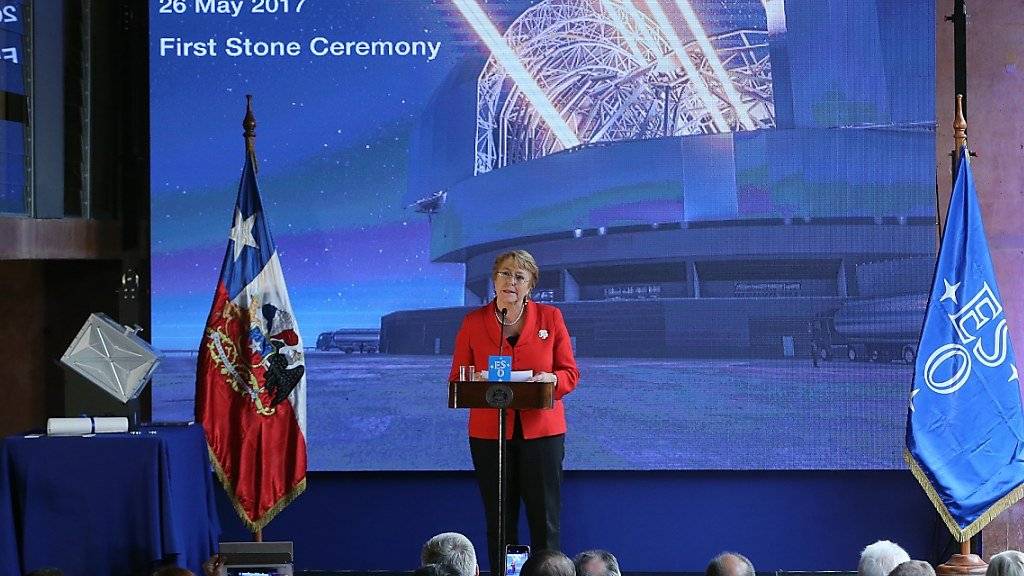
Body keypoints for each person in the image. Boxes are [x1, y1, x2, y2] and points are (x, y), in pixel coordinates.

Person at [448, 250, 580, 572]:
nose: (511, 281)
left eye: (519, 277)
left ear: (530, 286)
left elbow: (570, 374)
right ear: (494, 280)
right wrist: (476, 379)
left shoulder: (551, 318)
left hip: (543, 434)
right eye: (505, 274)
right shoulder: (473, 322)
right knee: (499, 519)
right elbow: (457, 378)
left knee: (545, 519)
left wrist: (552, 379)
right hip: (489, 435)